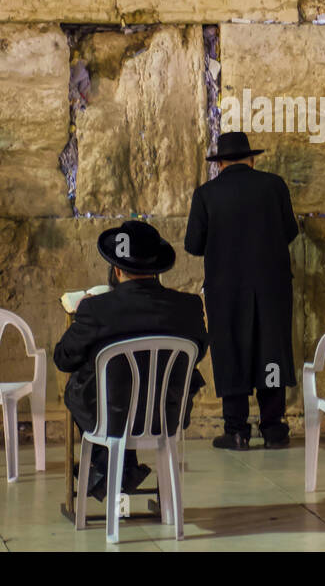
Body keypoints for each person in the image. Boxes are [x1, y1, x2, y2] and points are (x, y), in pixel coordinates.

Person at [54, 220, 207, 501]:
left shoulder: (95, 309)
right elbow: (199, 352)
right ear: (157, 269)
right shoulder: (188, 307)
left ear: (116, 270)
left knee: (85, 383)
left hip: (108, 418)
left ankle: (108, 471)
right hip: (165, 416)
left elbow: (63, 359)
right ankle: (119, 471)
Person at [184, 131, 298, 450]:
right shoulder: (274, 187)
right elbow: (290, 231)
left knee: (231, 351)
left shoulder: (206, 194)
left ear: (220, 164)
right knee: (270, 350)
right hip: (272, 287)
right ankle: (274, 428)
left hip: (226, 289)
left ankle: (236, 430)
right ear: (251, 159)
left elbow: (193, 245)